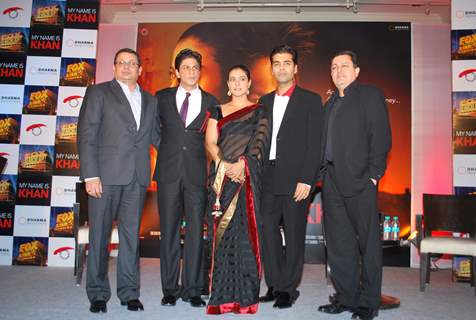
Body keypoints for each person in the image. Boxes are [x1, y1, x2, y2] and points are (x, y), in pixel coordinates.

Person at [78, 48, 160, 313]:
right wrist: (90, 175)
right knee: (100, 237)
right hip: (105, 177)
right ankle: (98, 294)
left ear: (139, 70)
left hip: (136, 179)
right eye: (121, 63)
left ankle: (129, 293)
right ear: (114, 68)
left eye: (132, 63)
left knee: (130, 239)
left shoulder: (150, 100)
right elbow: (86, 134)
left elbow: (157, 138)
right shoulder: (99, 92)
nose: (126, 67)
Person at [317, 51, 391, 320]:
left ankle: (369, 301)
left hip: (361, 180)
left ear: (356, 71)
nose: (338, 71)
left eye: (344, 66)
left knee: (368, 243)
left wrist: (374, 175)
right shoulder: (329, 103)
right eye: (334, 67)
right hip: (332, 181)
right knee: (339, 243)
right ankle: (346, 297)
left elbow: (381, 137)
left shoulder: (370, 95)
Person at [258, 45, 324, 309]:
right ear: (272, 68)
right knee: (267, 233)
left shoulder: (311, 99)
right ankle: (274, 284)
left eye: (287, 63)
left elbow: (315, 143)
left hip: (296, 178)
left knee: (294, 233)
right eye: (277, 63)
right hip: (267, 177)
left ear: (295, 68)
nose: (281, 67)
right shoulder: (263, 102)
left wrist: (307, 179)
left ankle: (288, 288)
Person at [154, 48, 219, 308]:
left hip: (196, 175)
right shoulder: (161, 97)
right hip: (168, 173)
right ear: (177, 71)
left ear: (199, 71)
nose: (191, 71)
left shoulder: (212, 102)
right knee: (169, 231)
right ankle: (169, 289)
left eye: (195, 67)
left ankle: (192, 288)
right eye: (186, 67)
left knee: (195, 232)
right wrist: (168, 149)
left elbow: (215, 139)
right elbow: (152, 132)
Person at [204, 65, 269, 314]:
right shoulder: (216, 110)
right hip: (222, 181)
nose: (238, 83)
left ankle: (246, 297)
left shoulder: (259, 111)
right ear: (228, 85)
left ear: (249, 83)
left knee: (245, 238)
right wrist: (226, 166)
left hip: (247, 180)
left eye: (242, 79)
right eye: (233, 79)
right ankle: (221, 297)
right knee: (221, 238)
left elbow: (260, 142)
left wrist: (243, 165)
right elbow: (210, 142)